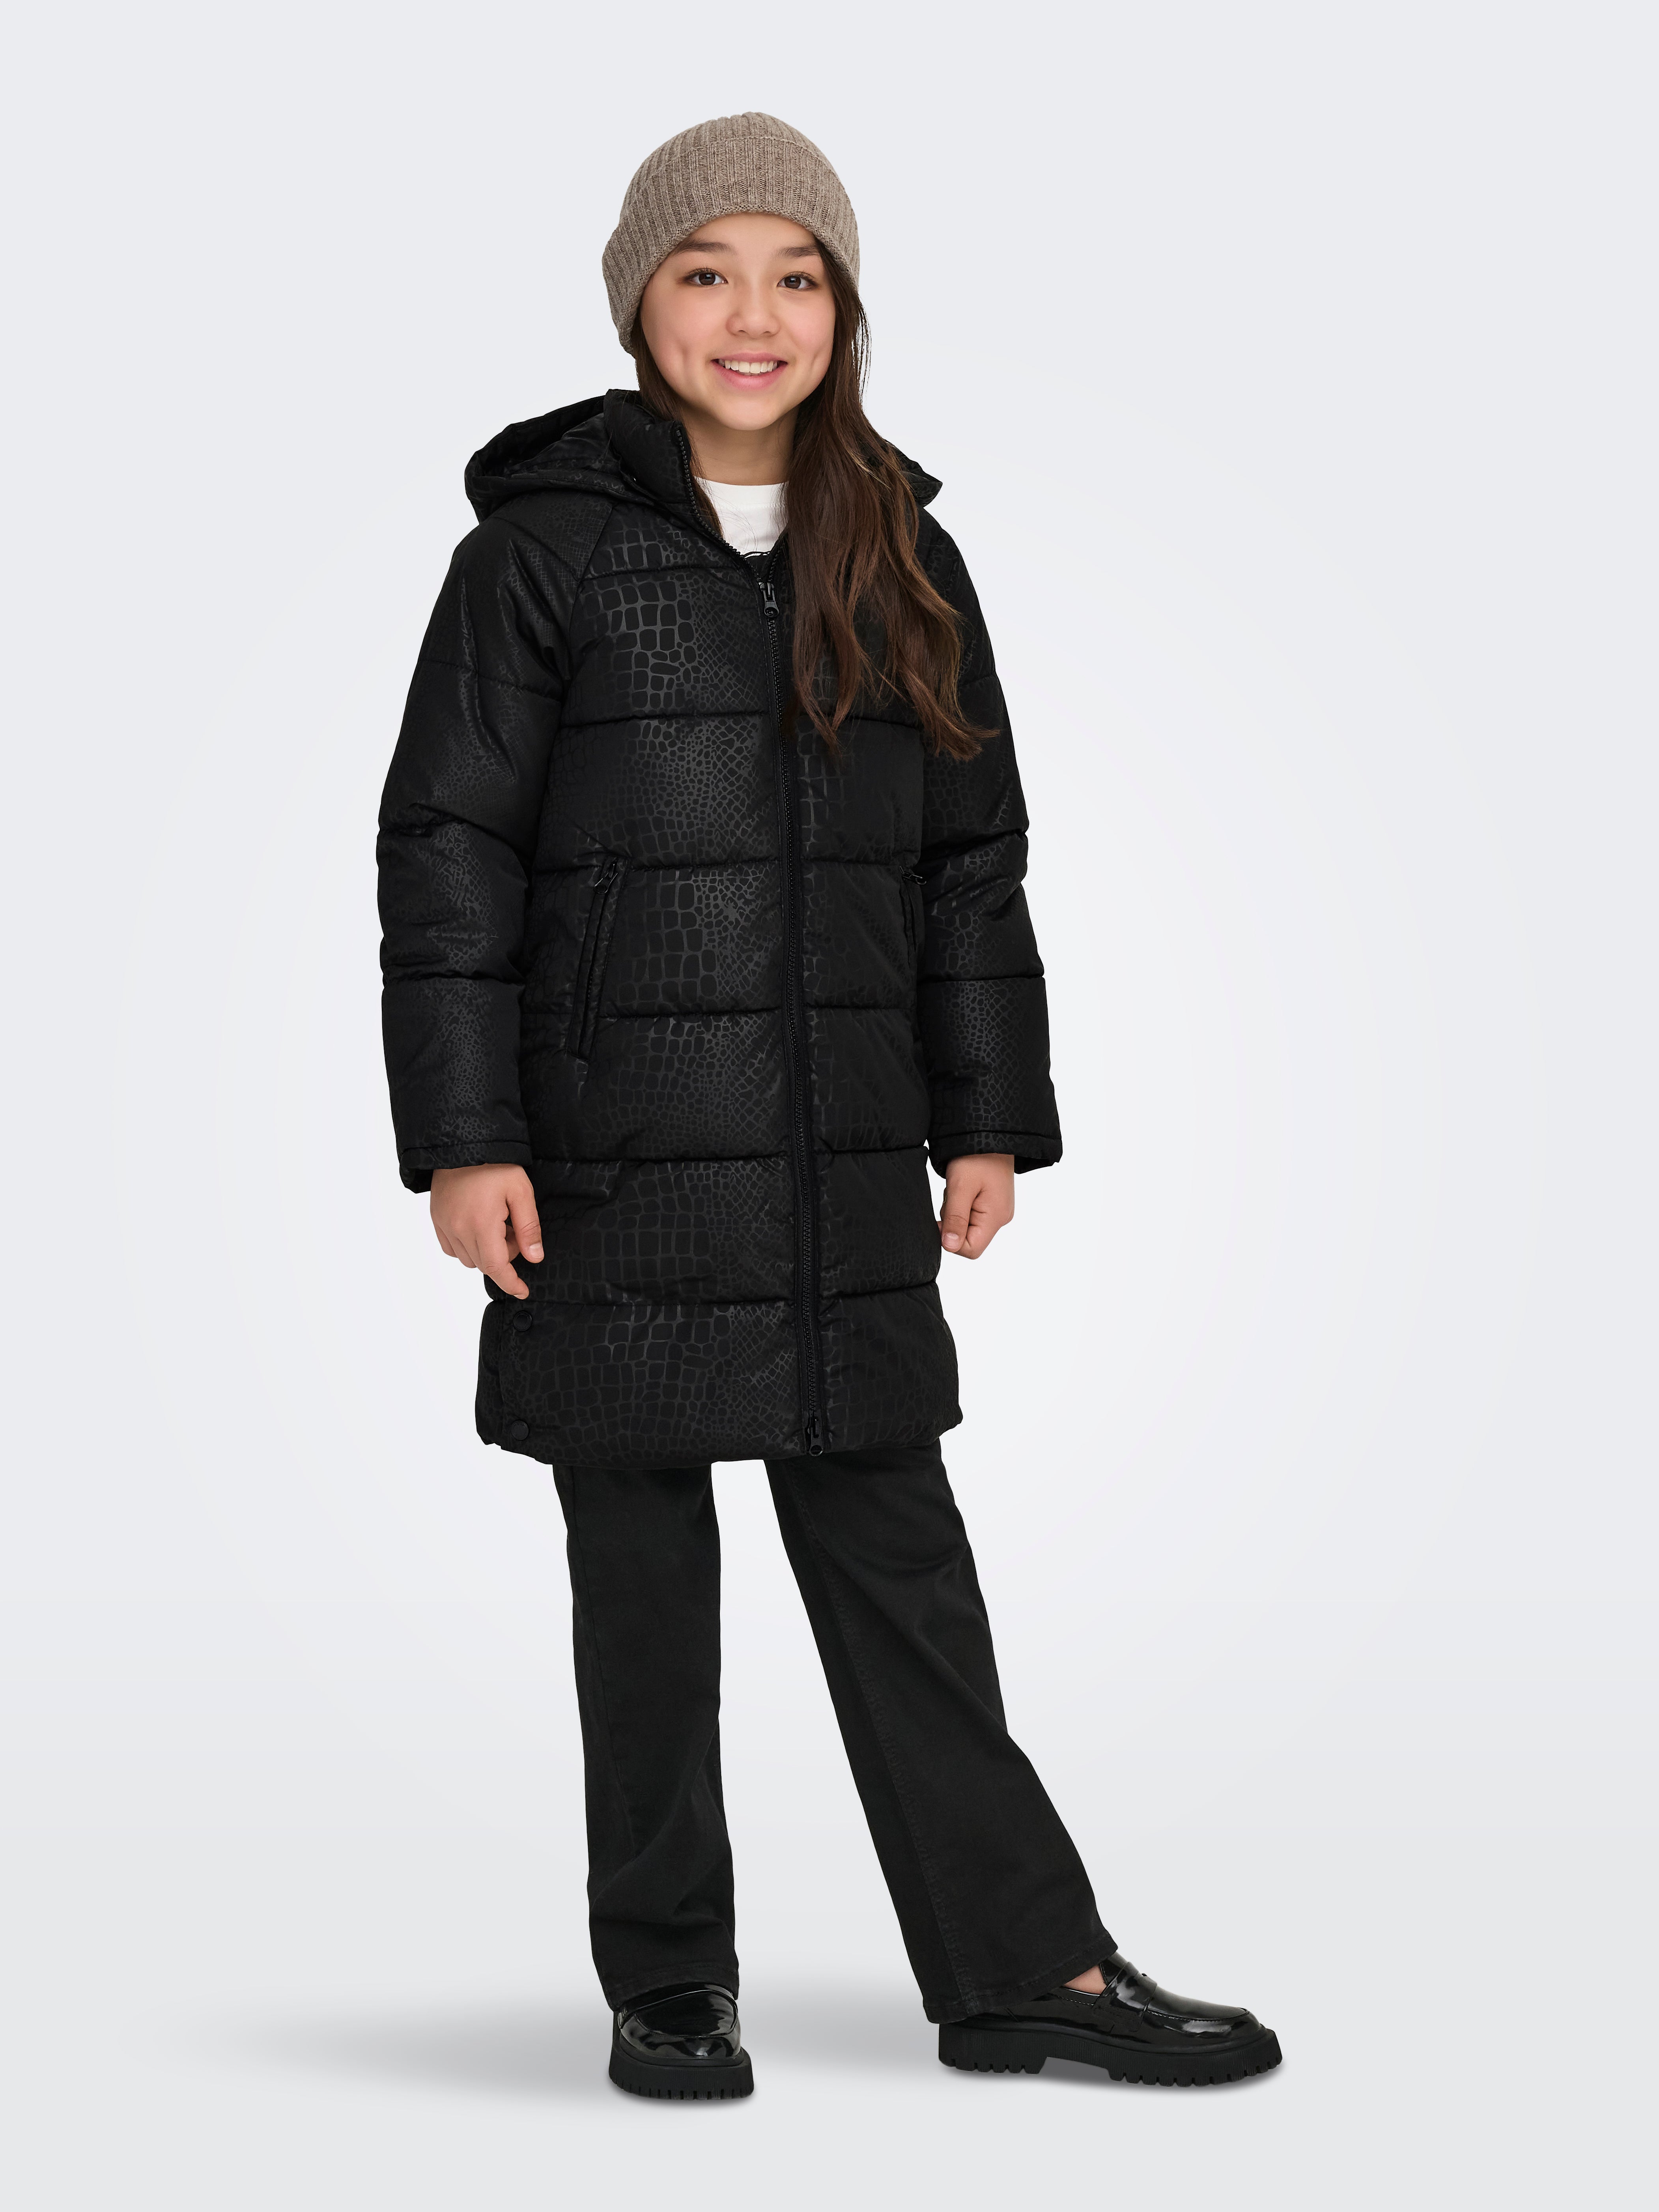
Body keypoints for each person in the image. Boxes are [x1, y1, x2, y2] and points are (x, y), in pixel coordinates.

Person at [377, 111, 1280, 2101]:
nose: (752, 315)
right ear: (639, 304)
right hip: (604, 1158)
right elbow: (446, 851)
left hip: (834, 1158)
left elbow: (969, 859)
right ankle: (668, 1979)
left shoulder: (901, 551)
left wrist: (985, 1115)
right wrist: (465, 1136)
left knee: (898, 1559)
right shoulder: (537, 558)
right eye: (705, 272)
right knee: (642, 1580)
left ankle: (1024, 1966)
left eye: (797, 276)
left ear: (843, 310)